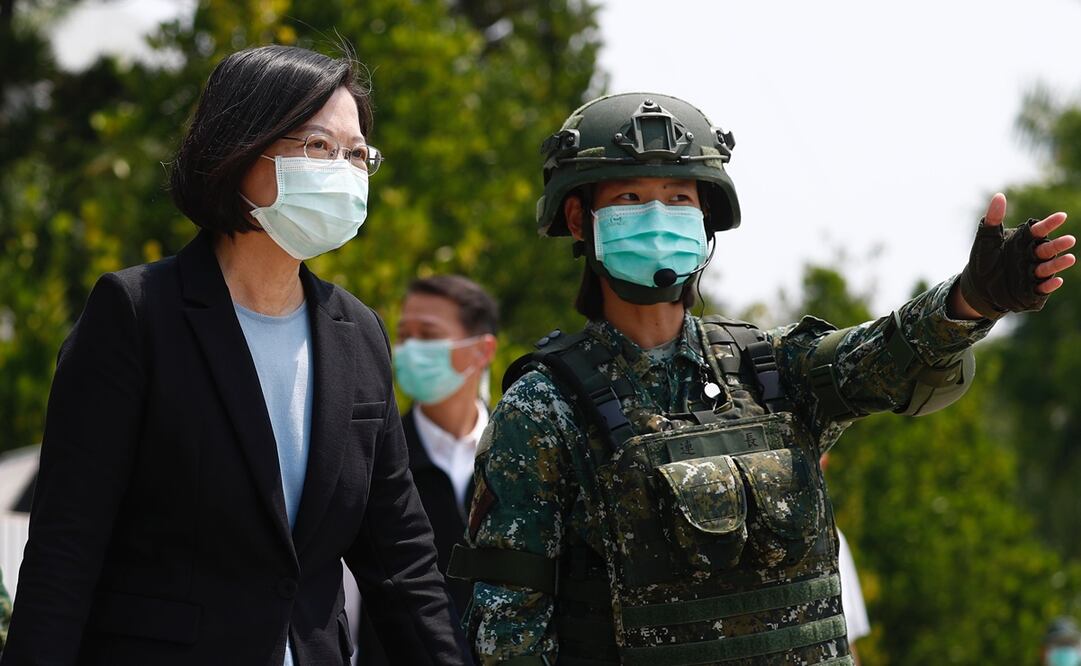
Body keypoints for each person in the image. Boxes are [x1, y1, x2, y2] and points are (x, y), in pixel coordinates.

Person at [448, 92, 1076, 664]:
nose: (657, 217)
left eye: (678, 198)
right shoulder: (544, 409)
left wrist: (970, 303)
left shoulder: (773, 371)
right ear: (582, 219)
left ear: (706, 220)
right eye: (631, 198)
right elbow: (510, 633)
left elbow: (887, 357)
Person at [2, 45, 467, 665]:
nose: (344, 171)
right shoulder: (138, 314)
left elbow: (402, 562)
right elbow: (67, 547)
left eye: (357, 155)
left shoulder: (358, 333)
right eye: (317, 147)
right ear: (239, 149)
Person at [358, 274, 498, 665]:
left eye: (429, 335)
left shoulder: (520, 456)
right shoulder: (372, 458)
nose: (411, 349)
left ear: (481, 350)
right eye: (405, 335)